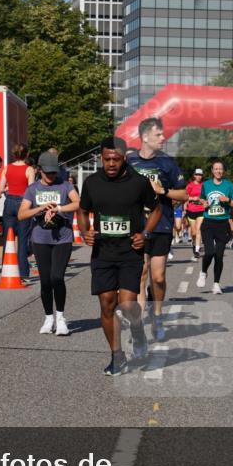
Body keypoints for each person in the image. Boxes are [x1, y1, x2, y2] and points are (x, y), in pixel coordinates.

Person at [78, 137, 161, 376]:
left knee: (127, 304)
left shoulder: (139, 182)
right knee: (106, 303)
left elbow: (157, 209)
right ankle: (117, 356)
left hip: (129, 252)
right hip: (103, 252)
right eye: (107, 159)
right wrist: (85, 232)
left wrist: (145, 234)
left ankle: (137, 332)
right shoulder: (92, 183)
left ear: (124, 158)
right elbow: (83, 211)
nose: (111, 164)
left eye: (116, 159)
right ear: (101, 158)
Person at [126, 117, 187, 343]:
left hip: (161, 225)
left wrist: (163, 191)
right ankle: (139, 324)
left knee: (158, 277)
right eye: (159, 134)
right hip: (137, 227)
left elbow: (184, 195)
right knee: (141, 274)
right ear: (144, 137)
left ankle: (158, 315)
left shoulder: (168, 163)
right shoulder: (129, 162)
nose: (163, 138)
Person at [19, 151, 80, 336]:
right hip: (40, 238)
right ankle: (48, 317)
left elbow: (78, 203)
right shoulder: (32, 189)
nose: (52, 176)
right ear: (39, 170)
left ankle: (61, 318)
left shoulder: (65, 185)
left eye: (54, 172)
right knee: (45, 281)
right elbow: (22, 214)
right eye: (48, 173)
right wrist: (40, 208)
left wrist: (59, 208)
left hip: (63, 236)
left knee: (57, 278)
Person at [197, 159, 233, 294]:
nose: (218, 171)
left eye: (220, 169)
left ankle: (216, 284)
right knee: (209, 252)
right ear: (212, 171)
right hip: (208, 223)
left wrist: (228, 200)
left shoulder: (229, 186)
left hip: (223, 224)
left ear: (223, 171)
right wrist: (203, 203)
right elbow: (201, 198)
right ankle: (203, 272)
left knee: (219, 256)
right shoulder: (206, 184)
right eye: (216, 169)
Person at [0, 143, 35, 285]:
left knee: (8, 238)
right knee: (23, 239)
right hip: (23, 203)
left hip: (9, 203)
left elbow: (1, 188)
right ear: (26, 154)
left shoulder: (7, 168)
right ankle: (24, 273)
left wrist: (9, 187)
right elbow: (31, 189)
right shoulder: (29, 169)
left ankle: (6, 269)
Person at [185, 169, 205, 260]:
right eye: (197, 174)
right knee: (193, 232)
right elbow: (185, 196)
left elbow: (206, 196)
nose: (199, 176)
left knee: (199, 230)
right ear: (194, 175)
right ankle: (194, 244)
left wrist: (203, 201)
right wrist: (193, 198)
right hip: (191, 210)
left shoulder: (204, 185)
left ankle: (197, 250)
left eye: (200, 175)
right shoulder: (190, 185)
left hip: (201, 209)